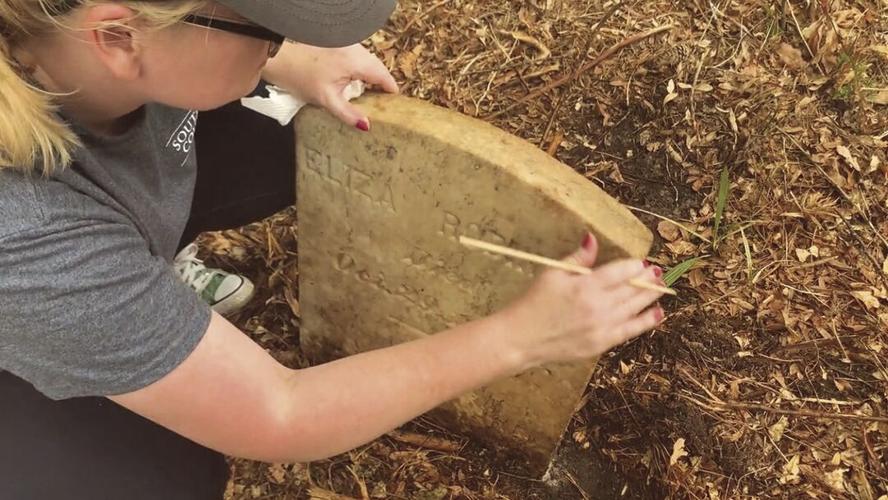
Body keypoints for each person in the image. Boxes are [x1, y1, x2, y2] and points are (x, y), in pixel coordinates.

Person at [0, 0, 667, 498]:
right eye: (266, 26)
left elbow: (185, 36)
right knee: (170, 474)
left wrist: (288, 57)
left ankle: (133, 299)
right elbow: (279, 413)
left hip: (81, 239)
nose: (289, 39)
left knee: (294, 148)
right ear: (116, 36)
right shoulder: (29, 236)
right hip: (20, 348)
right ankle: (121, 316)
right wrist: (520, 337)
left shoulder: (80, 42)